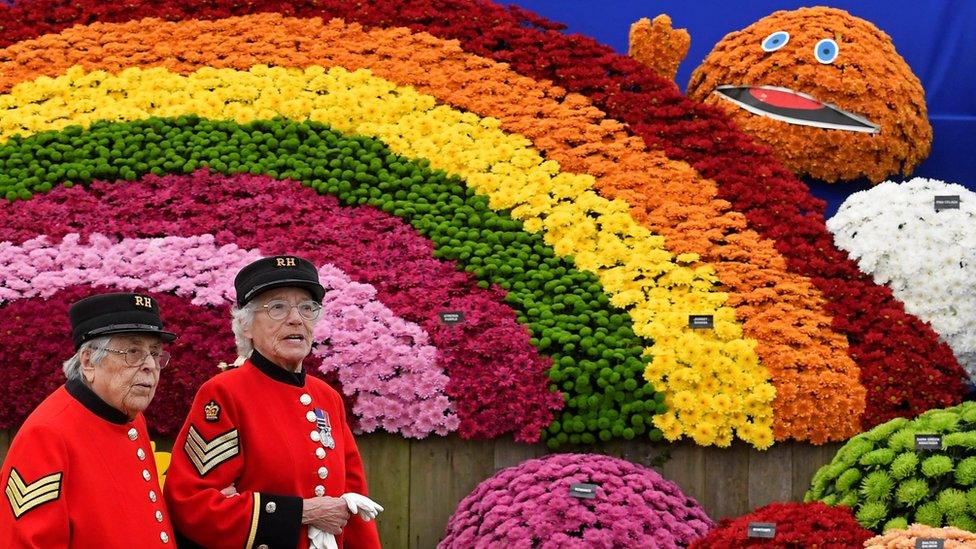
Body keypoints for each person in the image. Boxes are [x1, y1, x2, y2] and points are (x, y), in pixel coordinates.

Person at [164, 255, 382, 549]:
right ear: (247, 327)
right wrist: (301, 513)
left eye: (306, 308)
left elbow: (354, 504)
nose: (296, 319)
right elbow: (193, 504)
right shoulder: (224, 393)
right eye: (277, 307)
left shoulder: (327, 397)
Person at [0, 292, 178, 547]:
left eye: (154, 352)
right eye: (133, 351)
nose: (150, 364)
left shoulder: (128, 415)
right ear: (88, 362)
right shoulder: (46, 436)